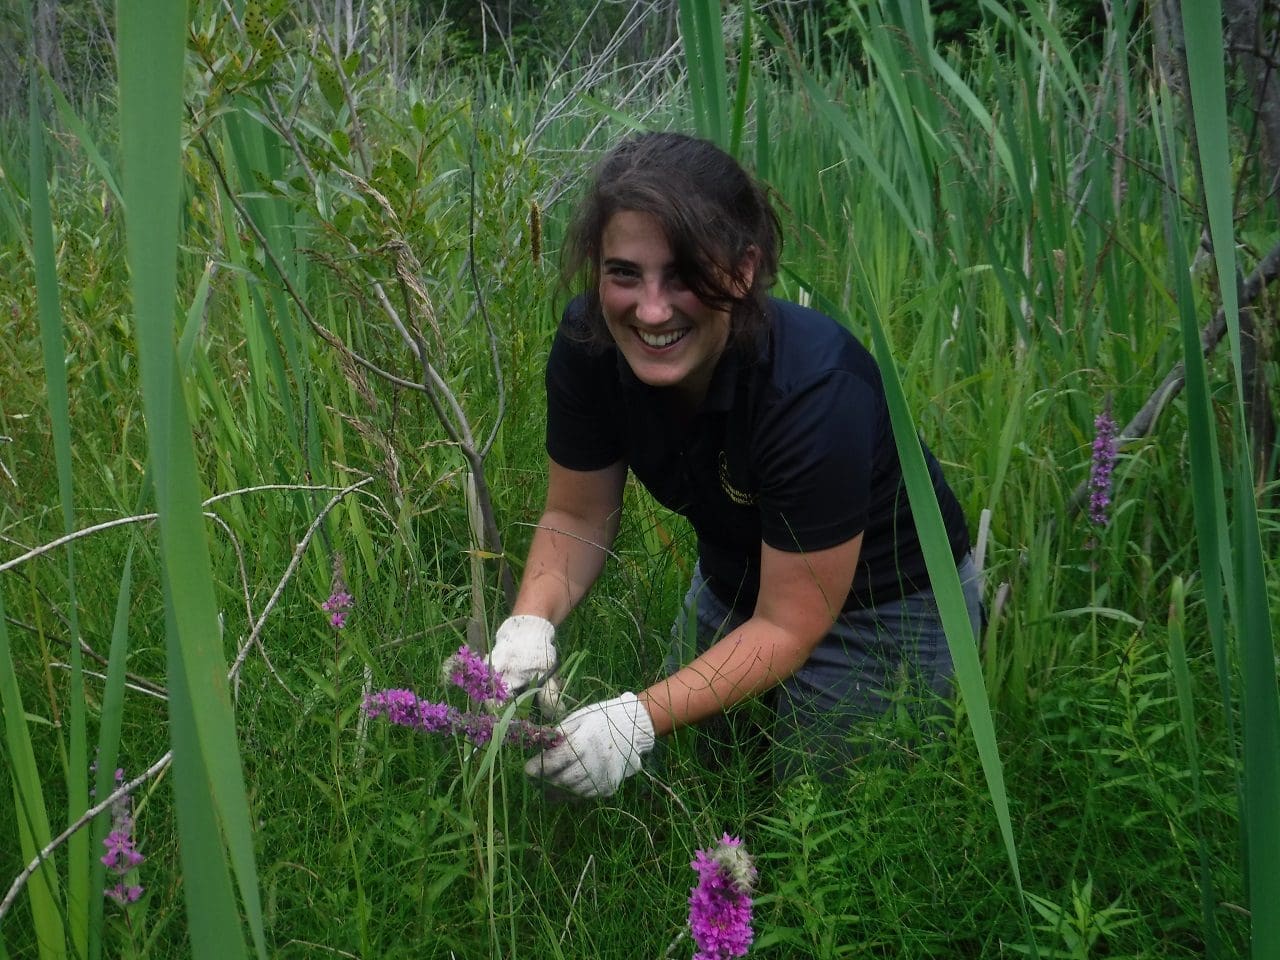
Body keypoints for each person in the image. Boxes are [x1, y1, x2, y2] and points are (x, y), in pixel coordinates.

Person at [487, 132, 980, 798]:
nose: (652, 309)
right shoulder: (590, 345)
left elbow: (788, 623)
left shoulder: (812, 390)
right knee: (672, 789)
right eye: (624, 273)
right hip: (739, 576)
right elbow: (576, 514)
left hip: (887, 602)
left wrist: (636, 716)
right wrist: (532, 620)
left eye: (685, 275)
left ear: (743, 271)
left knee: (818, 825)